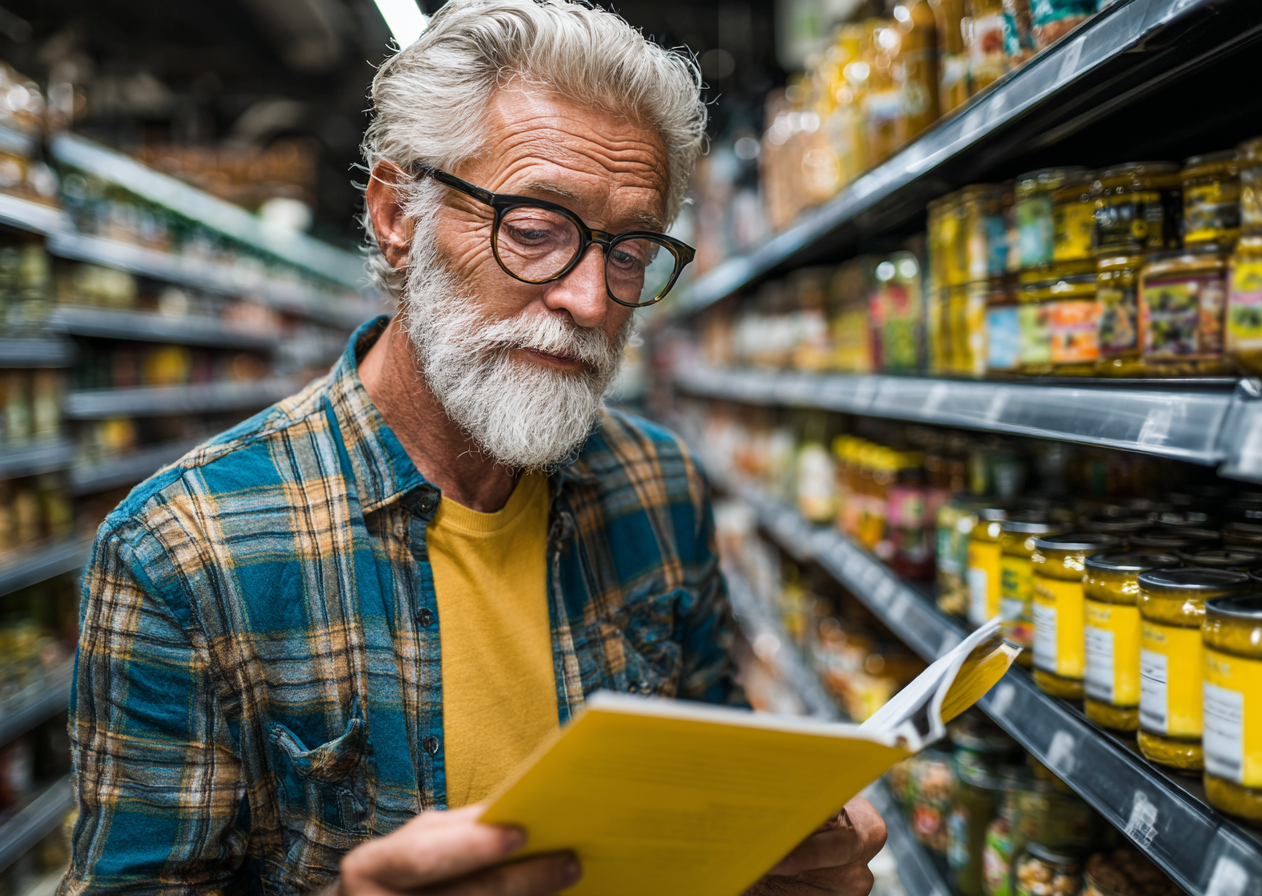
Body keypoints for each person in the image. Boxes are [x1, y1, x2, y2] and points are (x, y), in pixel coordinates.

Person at [61, 2, 886, 894]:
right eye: (534, 229)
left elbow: (715, 776)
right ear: (395, 214)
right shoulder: (185, 553)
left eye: (631, 250)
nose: (591, 301)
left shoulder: (659, 485)